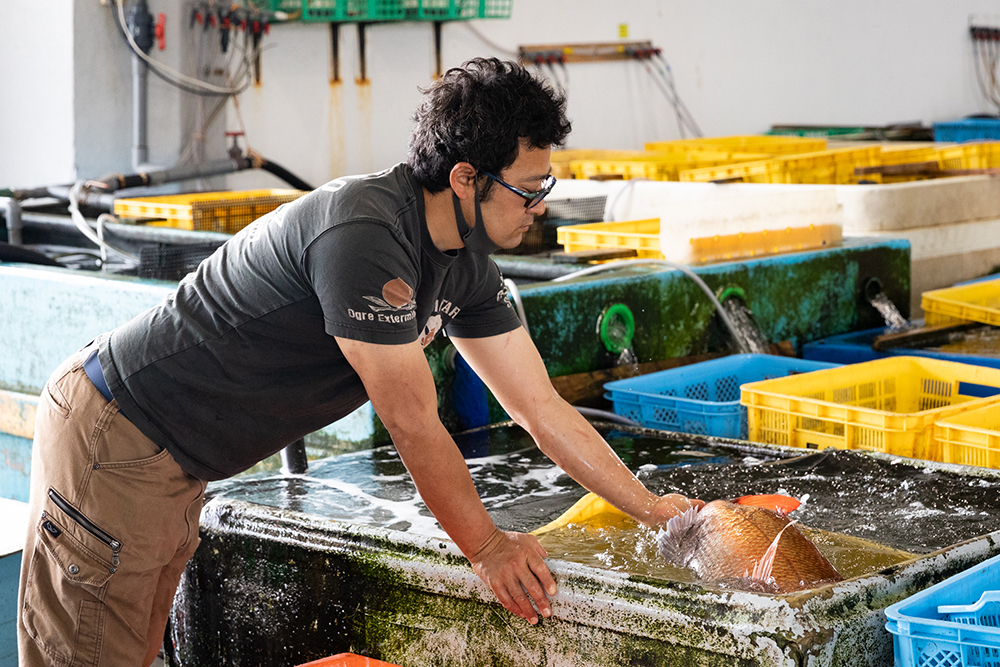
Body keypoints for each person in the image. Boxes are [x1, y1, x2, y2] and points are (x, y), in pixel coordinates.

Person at [17, 57, 703, 667]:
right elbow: (411, 421)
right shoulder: (365, 232)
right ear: (466, 178)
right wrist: (489, 547)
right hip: (117, 434)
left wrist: (654, 510)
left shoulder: (467, 264)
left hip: (178, 460)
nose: (541, 206)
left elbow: (542, 408)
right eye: (529, 189)